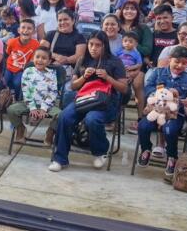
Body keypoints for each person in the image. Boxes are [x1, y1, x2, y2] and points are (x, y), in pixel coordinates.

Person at [49, 31, 128, 172]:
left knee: (92, 119)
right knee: (65, 117)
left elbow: (124, 89)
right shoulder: (82, 60)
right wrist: (83, 77)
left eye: (98, 45)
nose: (93, 48)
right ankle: (60, 159)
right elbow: (73, 86)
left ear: (105, 46)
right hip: (84, 100)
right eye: (91, 44)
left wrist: (108, 77)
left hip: (106, 103)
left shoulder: (115, 62)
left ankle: (101, 150)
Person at [135, 46, 187, 177]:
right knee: (143, 126)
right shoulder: (158, 72)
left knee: (169, 130)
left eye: (184, 63)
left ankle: (172, 156)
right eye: (176, 61)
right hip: (156, 110)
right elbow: (147, 89)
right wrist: (159, 93)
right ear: (169, 59)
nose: (179, 65)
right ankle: (146, 149)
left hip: (175, 114)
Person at [6, 47, 60, 144]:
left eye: (44, 58)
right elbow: (26, 91)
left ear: (49, 61)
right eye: (37, 57)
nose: (40, 60)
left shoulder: (52, 74)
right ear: (33, 58)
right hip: (28, 103)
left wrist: (44, 108)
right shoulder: (28, 71)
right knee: (11, 109)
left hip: (47, 105)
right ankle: (20, 128)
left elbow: (52, 92)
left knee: (62, 115)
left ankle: (51, 131)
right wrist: (32, 107)